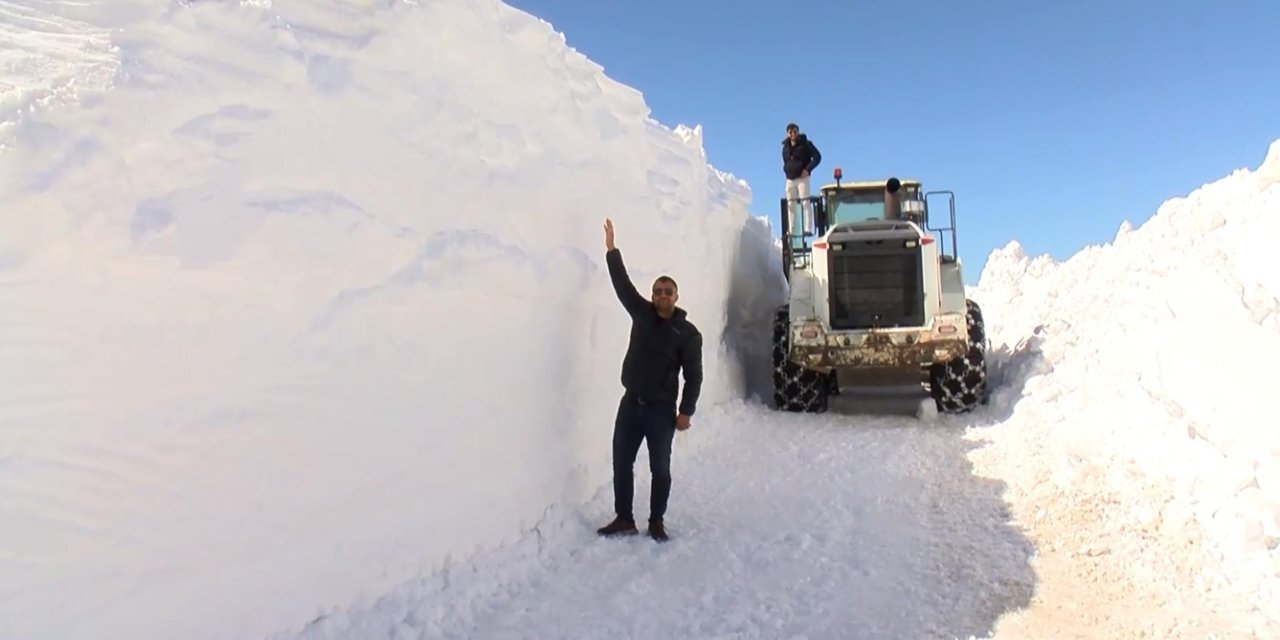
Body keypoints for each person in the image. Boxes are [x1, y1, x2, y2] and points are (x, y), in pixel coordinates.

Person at [596, 218, 703, 543]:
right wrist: (612, 249)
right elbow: (622, 285)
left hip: (660, 410)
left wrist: (686, 411)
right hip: (630, 404)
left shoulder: (687, 333)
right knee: (621, 463)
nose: (661, 296)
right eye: (657, 291)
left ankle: (656, 520)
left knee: (660, 469)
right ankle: (624, 518)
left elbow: (694, 375)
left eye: (667, 292)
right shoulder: (641, 313)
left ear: (676, 296)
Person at [781, 122, 822, 236]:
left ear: (798, 132)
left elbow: (817, 157)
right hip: (790, 179)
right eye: (790, 132)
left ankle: (808, 228)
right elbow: (786, 161)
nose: (793, 134)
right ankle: (791, 230)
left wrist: (807, 169)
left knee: (805, 202)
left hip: (802, 178)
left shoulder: (806, 144)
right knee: (791, 205)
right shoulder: (785, 147)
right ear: (787, 134)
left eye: (795, 131)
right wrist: (786, 170)